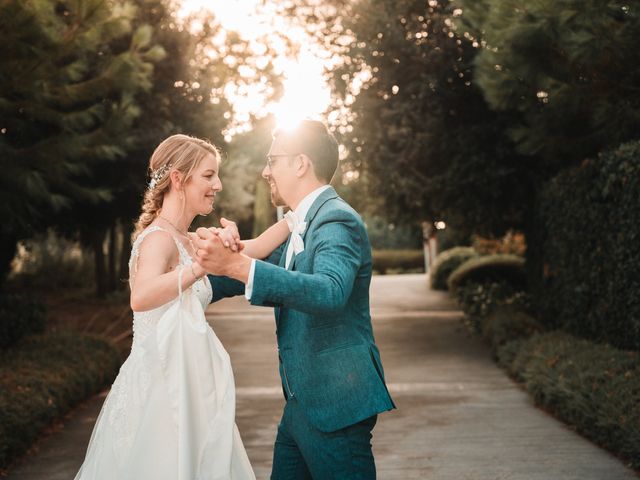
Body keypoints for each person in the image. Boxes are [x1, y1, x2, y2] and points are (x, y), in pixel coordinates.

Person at [73, 134, 290, 480]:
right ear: (178, 178)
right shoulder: (158, 238)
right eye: (208, 175)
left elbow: (258, 247)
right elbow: (140, 297)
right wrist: (199, 268)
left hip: (193, 387)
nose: (217, 184)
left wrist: (296, 217)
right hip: (160, 393)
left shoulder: (190, 240)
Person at [196, 120, 396, 479]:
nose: (265, 171)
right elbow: (250, 271)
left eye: (273, 160)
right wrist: (188, 270)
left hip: (337, 403)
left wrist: (238, 265)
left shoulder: (336, 220)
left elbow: (329, 291)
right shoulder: (299, 224)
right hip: (303, 403)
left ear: (301, 164)